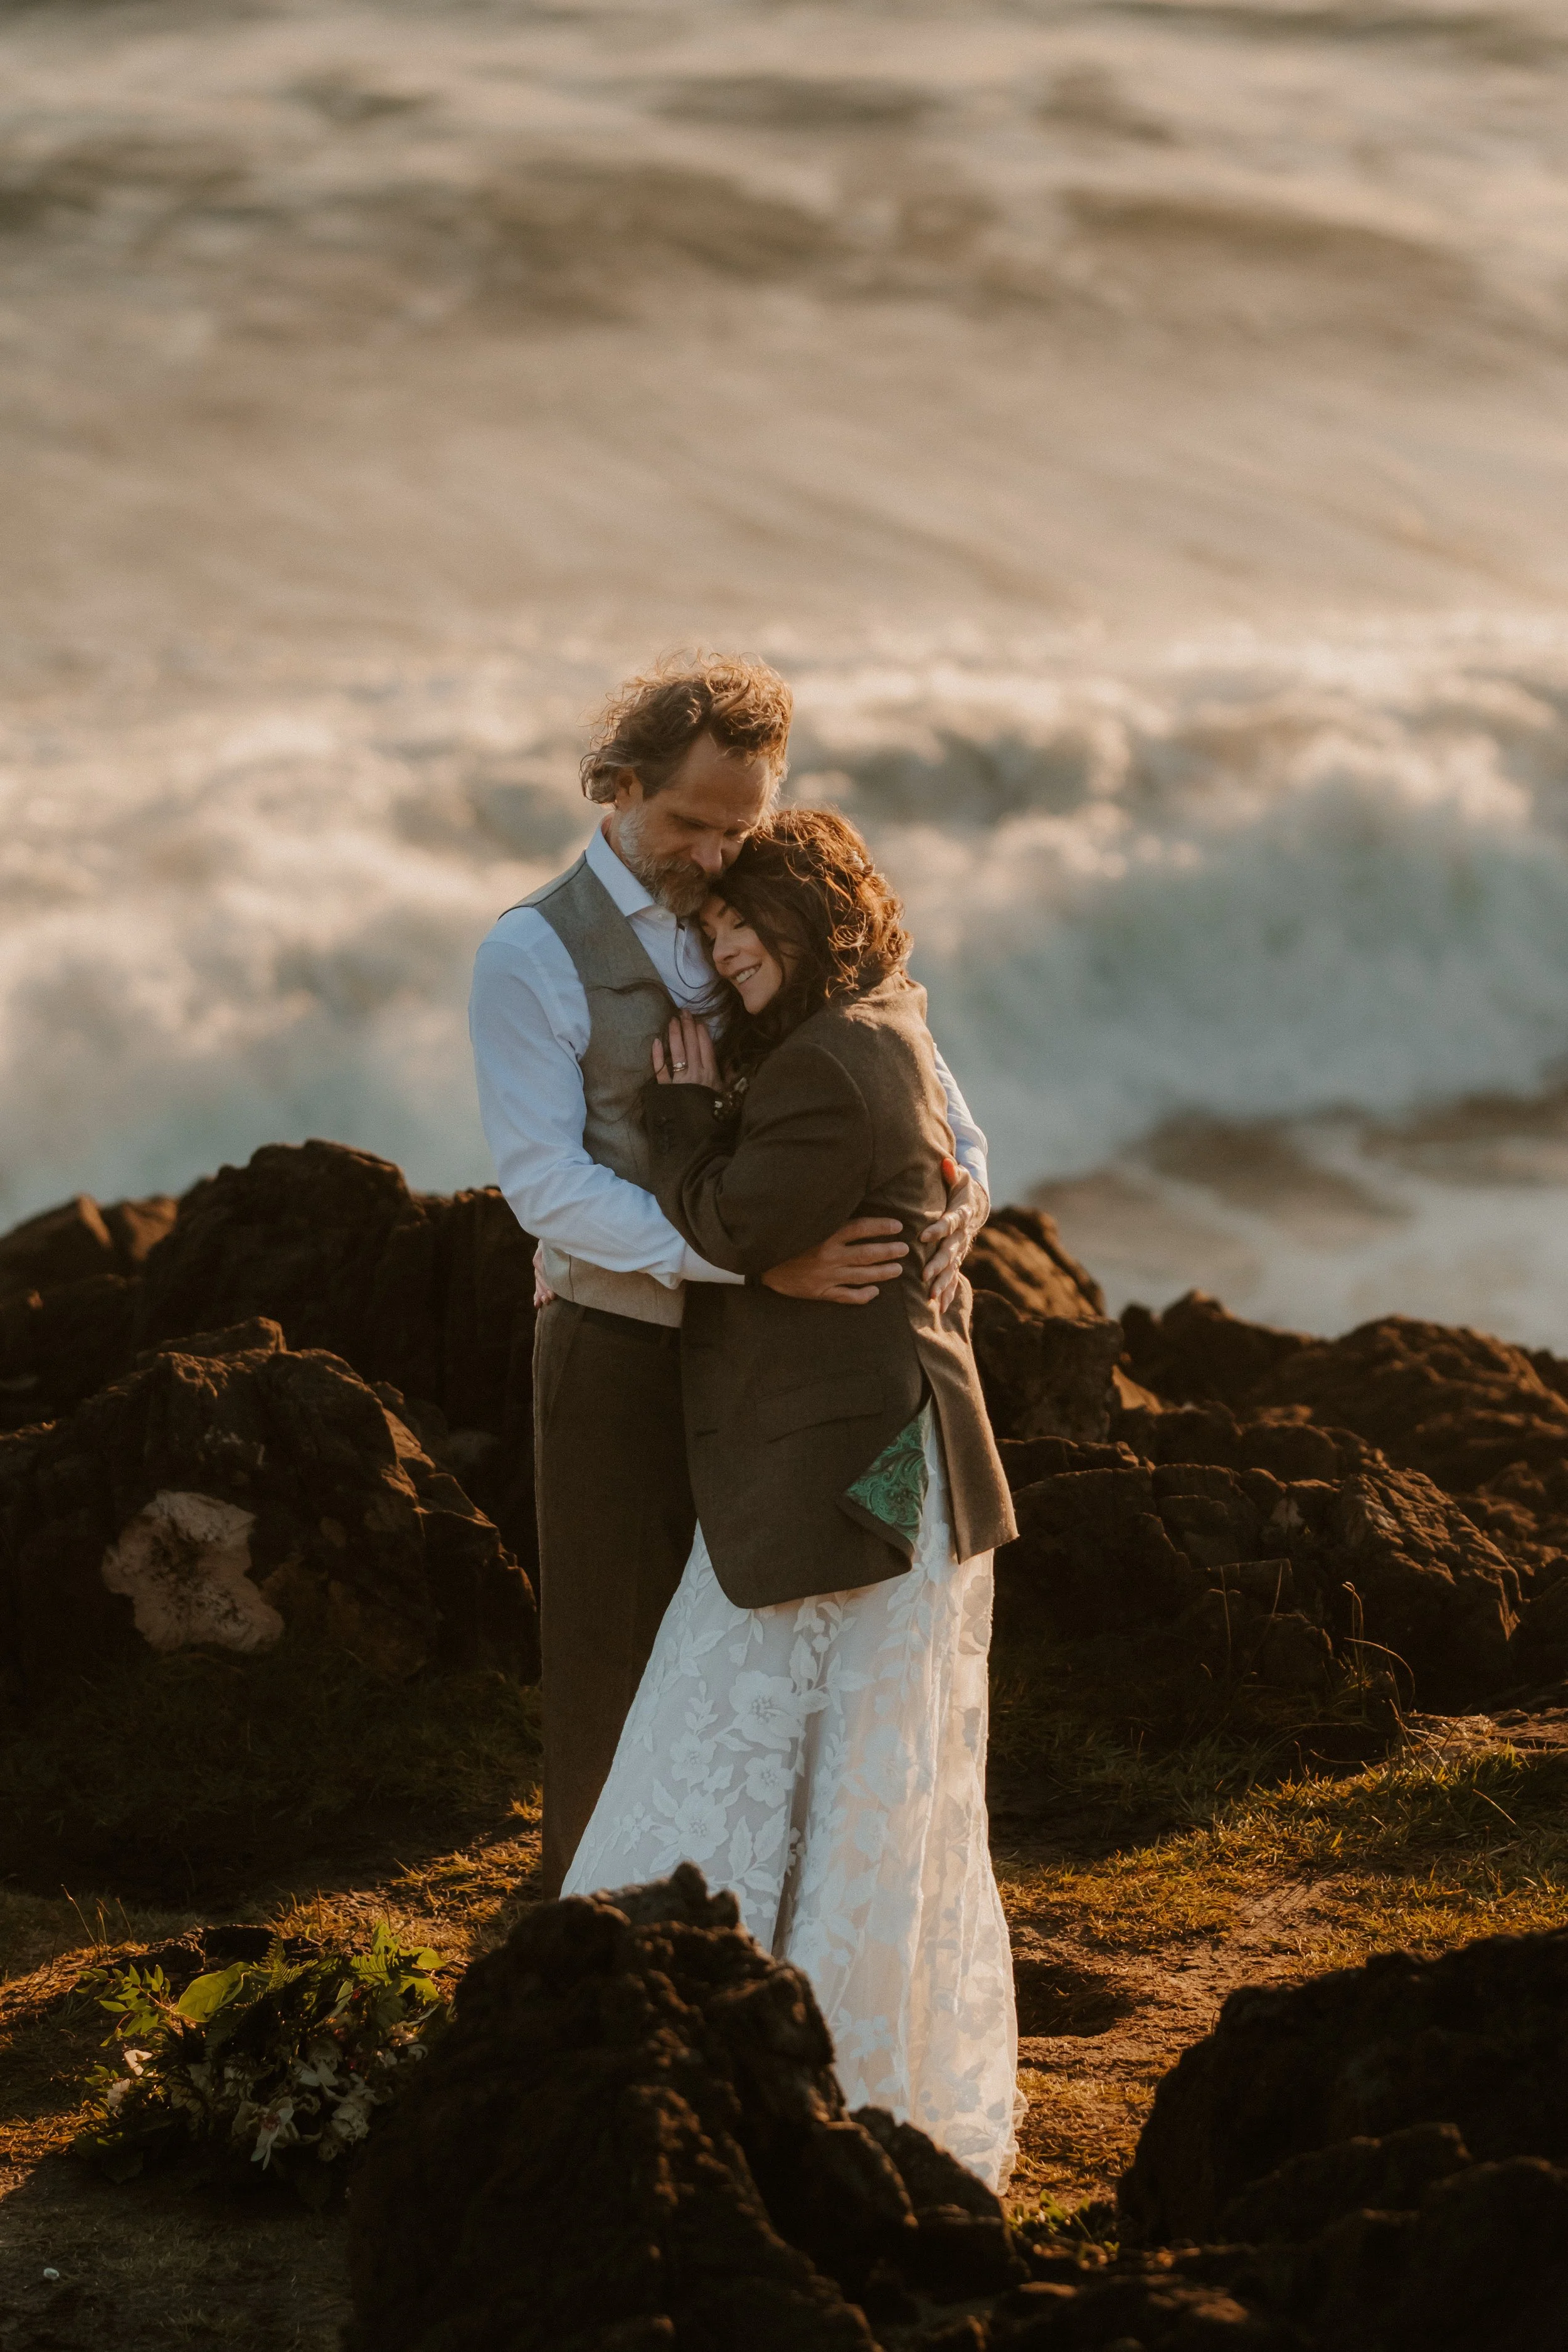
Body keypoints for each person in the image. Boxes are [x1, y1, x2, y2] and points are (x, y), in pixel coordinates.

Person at [469, 655, 993, 1895]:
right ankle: (595, 1941)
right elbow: (544, 1187)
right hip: (619, 1351)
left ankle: (757, 1922)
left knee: (761, 1656)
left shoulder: (780, 907)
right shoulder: (529, 956)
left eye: (737, 828)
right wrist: (748, 1263)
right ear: (617, 784)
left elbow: (920, 1086)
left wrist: (954, 1197)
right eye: (686, 824)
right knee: (611, 1657)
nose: (711, 858)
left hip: (785, 1364)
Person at [561, 808, 1020, 2190]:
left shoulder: (827, 1064)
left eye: (748, 921)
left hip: (850, 1466)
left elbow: (734, 1226)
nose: (724, 947)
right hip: (876, 1456)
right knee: (851, 1756)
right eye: (712, 928)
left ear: (820, 919)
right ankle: (824, 2046)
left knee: (767, 1720)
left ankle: (752, 2055)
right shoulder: (880, 1022)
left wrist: (688, 1115)